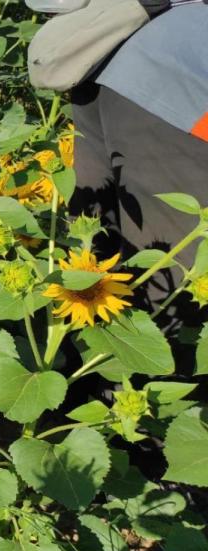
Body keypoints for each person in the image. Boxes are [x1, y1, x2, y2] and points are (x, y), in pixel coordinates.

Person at [67, 0, 208, 333]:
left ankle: (102, 371)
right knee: (183, 269)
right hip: (184, 88)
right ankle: (166, 375)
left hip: (101, 56)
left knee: (92, 240)